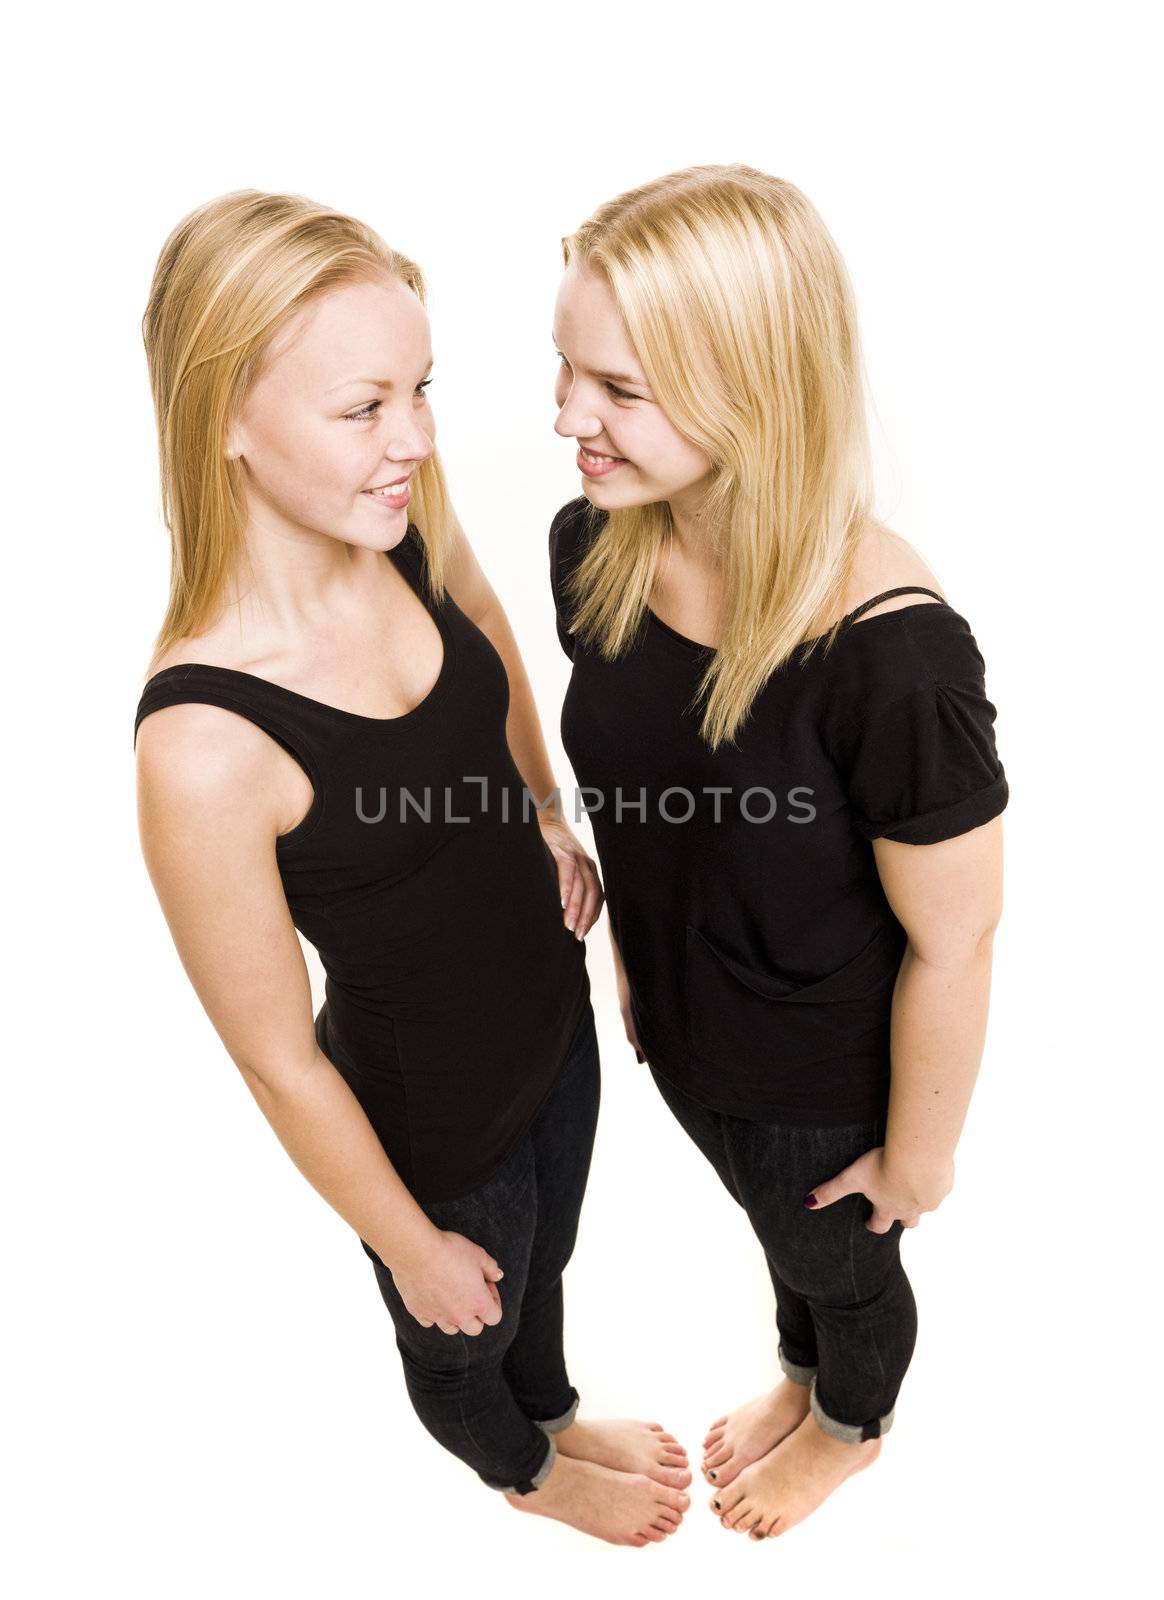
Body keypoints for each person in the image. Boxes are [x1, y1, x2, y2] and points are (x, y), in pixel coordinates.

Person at [133, 189, 690, 1546]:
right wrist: (406, 1241)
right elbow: (279, 1059)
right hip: (432, 1137)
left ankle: (550, 1404)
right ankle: (523, 1467)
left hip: (551, 1026)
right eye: (365, 406)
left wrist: (546, 815)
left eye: (421, 389)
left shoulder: (405, 531)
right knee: (458, 1335)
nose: (420, 440)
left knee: (547, 1263)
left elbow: (488, 636)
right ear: (227, 419)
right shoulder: (204, 743)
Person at [547, 164, 1008, 1542]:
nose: (567, 417)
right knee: (781, 1248)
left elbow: (956, 935)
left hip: (824, 1080)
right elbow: (641, 784)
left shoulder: (895, 659)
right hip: (686, 1032)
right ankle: (803, 1367)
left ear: (751, 384)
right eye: (564, 370)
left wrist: (917, 1164)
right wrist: (634, 953)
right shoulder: (602, 548)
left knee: (841, 1267)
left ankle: (849, 1419)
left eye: (618, 391)